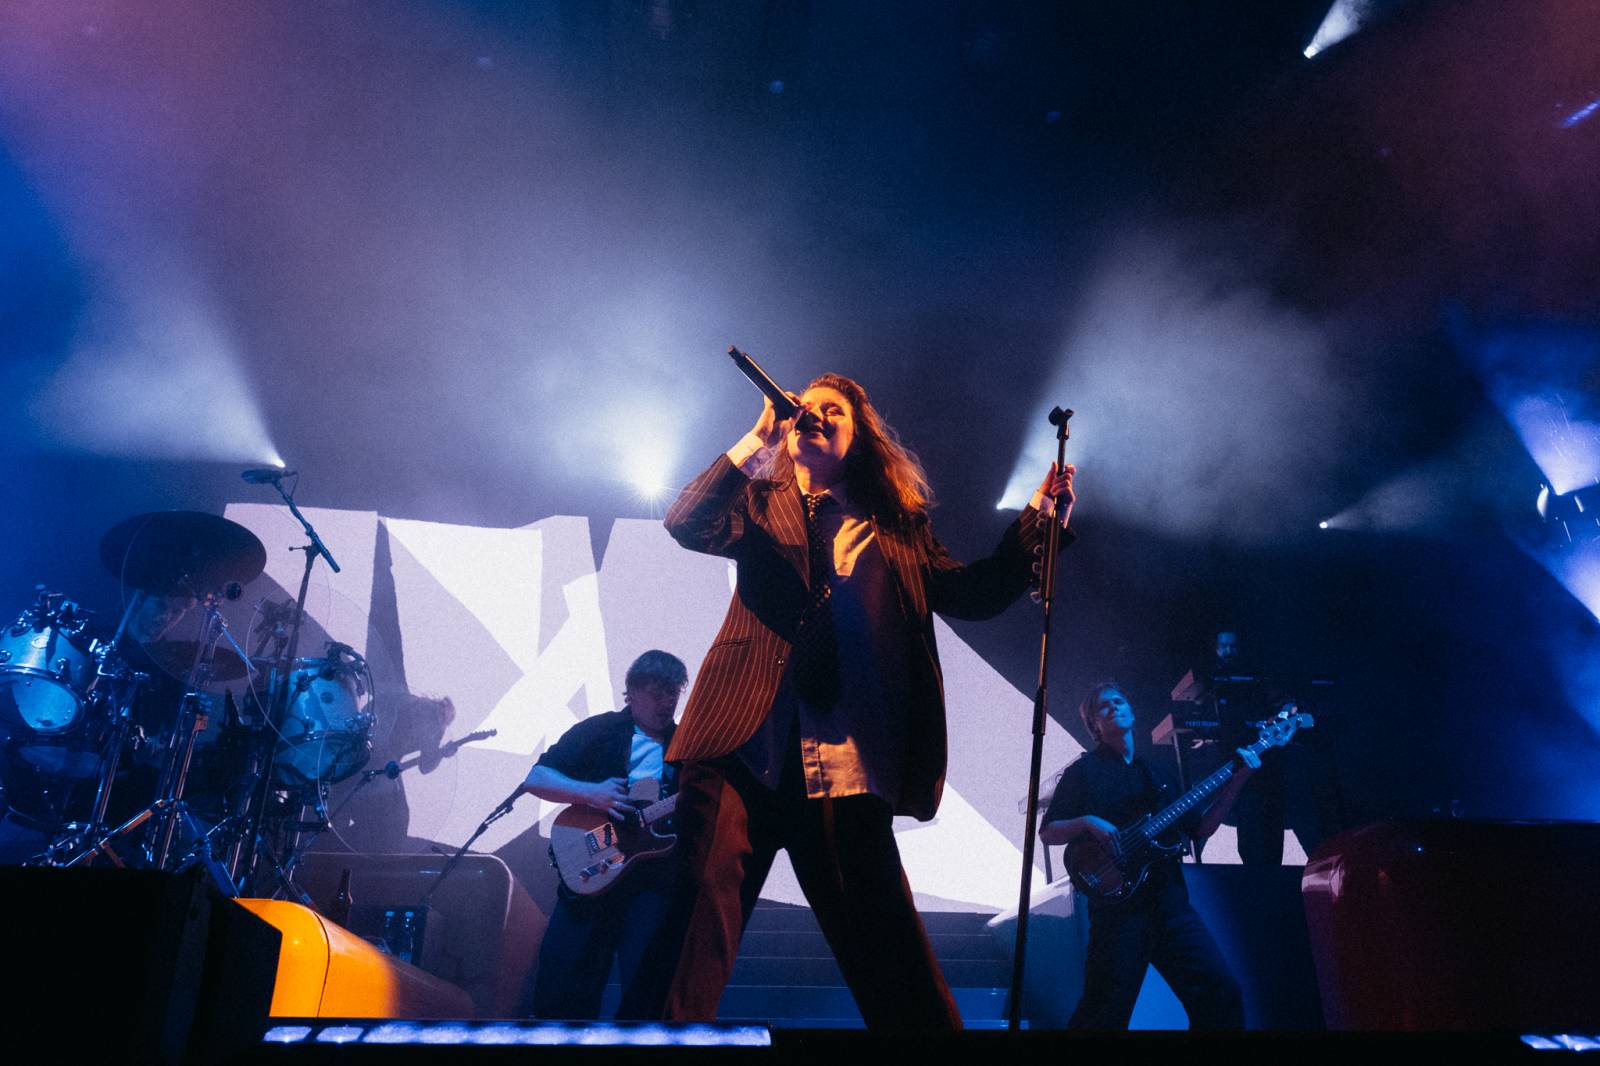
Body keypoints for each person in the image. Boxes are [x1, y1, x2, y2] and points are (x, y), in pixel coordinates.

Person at [629, 373, 1075, 1029]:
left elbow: (976, 595)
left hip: (841, 762)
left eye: (830, 410)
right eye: (802, 408)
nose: (811, 415)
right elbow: (686, 522)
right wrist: (757, 436)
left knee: (888, 949)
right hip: (742, 754)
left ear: (858, 435)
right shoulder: (759, 502)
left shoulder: (897, 529)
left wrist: (1039, 522)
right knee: (691, 927)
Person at [1040, 681, 1258, 1030]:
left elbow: (1200, 829)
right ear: (1094, 725)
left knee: (1221, 994)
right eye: (1103, 707)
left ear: (1132, 712)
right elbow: (1049, 832)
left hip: (1170, 907)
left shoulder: (1158, 773)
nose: (1114, 707)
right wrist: (1087, 821)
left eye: (1119, 701)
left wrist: (1239, 779)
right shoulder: (1083, 771)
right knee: (1103, 1014)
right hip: (1118, 914)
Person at [517, 649, 689, 1019]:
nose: (667, 702)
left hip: (651, 884)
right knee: (561, 991)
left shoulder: (689, 745)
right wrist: (591, 793)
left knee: (650, 993)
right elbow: (536, 778)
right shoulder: (600, 731)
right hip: (590, 875)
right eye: (658, 692)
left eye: (673, 693)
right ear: (632, 690)